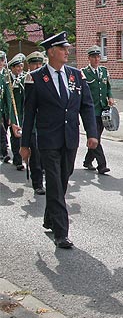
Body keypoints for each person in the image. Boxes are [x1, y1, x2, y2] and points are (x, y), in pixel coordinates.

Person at [20, 31, 98, 249]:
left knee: (63, 180)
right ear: (51, 52)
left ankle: (49, 217)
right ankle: (61, 232)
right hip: (47, 141)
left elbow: (87, 106)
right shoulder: (35, 79)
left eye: (67, 48)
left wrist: (92, 133)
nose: (67, 52)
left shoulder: (76, 75)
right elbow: (29, 115)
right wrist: (24, 145)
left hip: (70, 139)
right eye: (63, 49)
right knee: (54, 182)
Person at [12, 51, 46, 194]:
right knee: (36, 156)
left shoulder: (47, 80)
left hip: (45, 125)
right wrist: (15, 122)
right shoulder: (21, 83)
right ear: (29, 65)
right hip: (30, 125)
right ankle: (37, 183)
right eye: (34, 64)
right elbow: (17, 106)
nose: (37, 66)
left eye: (39, 63)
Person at [82, 45, 115, 174]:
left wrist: (110, 97)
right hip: (90, 111)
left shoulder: (104, 71)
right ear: (89, 58)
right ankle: (102, 165)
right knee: (95, 137)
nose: (96, 59)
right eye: (93, 57)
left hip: (102, 110)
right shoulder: (84, 73)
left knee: (96, 137)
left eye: (98, 57)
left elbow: (108, 88)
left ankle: (87, 160)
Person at [5, 53, 26, 171]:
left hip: (23, 112)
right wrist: (8, 116)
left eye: (21, 66)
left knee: (23, 135)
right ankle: (17, 160)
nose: (20, 69)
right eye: (17, 67)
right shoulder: (6, 80)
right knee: (15, 136)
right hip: (12, 112)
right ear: (12, 68)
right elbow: (5, 100)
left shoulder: (24, 78)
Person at [0, 50, 11, 162]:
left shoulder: (6, 75)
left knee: (5, 129)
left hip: (5, 109)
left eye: (2, 60)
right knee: (1, 131)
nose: (1, 62)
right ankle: (4, 152)